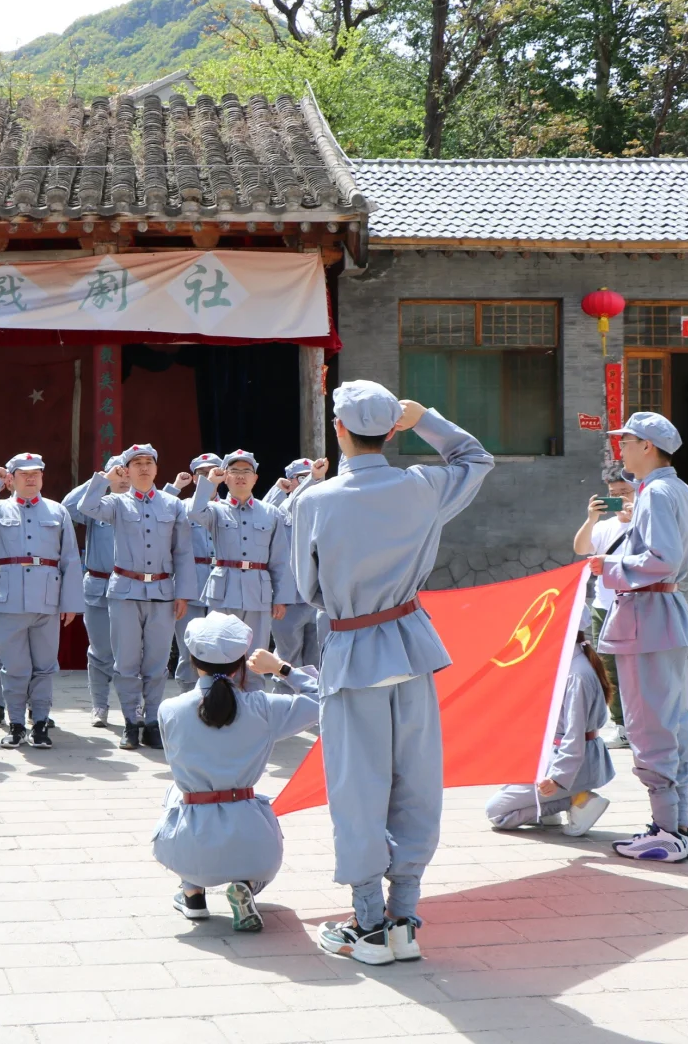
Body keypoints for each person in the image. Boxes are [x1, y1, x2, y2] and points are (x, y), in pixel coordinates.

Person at [292, 381, 492, 965]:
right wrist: (425, 417)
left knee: (358, 787)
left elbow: (309, 589)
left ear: (339, 431)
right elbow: (475, 457)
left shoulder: (316, 500)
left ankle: (369, 922)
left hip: (353, 650)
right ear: (390, 429)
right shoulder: (422, 485)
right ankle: (404, 916)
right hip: (410, 645)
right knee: (416, 779)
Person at [153, 613, 321, 932]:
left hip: (190, 847)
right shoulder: (264, 707)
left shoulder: (169, 710)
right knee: (248, 802)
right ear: (242, 662)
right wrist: (282, 668)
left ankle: (192, 893)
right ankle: (245, 884)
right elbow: (325, 699)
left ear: (191, 660)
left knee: (178, 791)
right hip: (255, 849)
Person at [591, 411, 688, 864]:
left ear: (648, 447)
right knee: (672, 721)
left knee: (647, 724)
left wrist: (608, 568)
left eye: (628, 441)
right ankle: (677, 826)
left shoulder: (654, 492)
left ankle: (667, 830)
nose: (622, 449)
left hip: (647, 614)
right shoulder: (678, 488)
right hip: (664, 614)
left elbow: (661, 560)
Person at [78, 443, 199, 751]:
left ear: (157, 469)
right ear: (127, 470)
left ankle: (151, 722)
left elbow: (183, 553)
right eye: (136, 463)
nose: (144, 467)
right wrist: (104, 478)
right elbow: (86, 507)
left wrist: (184, 592)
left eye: (149, 462)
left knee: (157, 664)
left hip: (161, 591)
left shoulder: (173, 505)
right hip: (124, 592)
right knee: (126, 662)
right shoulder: (117, 503)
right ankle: (132, 721)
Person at [0, 452, 84, 748]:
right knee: (14, 667)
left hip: (47, 599)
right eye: (23, 474)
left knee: (44, 666)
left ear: (42, 477)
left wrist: (70, 602)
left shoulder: (57, 511)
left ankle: (40, 723)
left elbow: (70, 557)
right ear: (12, 479)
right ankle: (17, 724)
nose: (31, 478)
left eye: (36, 473)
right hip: (9, 599)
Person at [485, 628, 616, 836]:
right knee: (507, 797)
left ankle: (576, 799)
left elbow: (575, 734)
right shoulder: (570, 664)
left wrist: (557, 778)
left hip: (573, 766)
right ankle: (549, 811)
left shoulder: (577, 674)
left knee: (497, 812)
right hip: (556, 757)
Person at [188, 450, 296, 669]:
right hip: (224, 591)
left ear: (255, 478)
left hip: (258, 591)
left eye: (246, 471)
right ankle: (221, 699)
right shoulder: (216, 510)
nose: (240, 476)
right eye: (234, 470)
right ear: (225, 476)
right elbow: (194, 511)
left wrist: (281, 597)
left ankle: (252, 699)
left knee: (255, 654)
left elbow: (280, 559)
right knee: (219, 652)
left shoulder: (270, 512)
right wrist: (210, 483)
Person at [572, 467, 635, 748]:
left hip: (637, 605)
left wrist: (637, 518)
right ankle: (621, 726)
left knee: (638, 668)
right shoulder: (603, 527)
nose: (619, 499)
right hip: (604, 606)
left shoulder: (647, 523)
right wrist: (591, 518)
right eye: (613, 495)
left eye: (625, 493)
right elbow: (580, 547)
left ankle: (643, 725)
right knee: (607, 670)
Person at [65, 456, 129, 728]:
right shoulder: (95, 507)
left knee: (131, 654)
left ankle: (132, 708)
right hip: (98, 586)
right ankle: (99, 705)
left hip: (132, 588)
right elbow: (68, 508)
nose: (123, 478)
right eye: (118, 473)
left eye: (128, 472)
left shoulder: (145, 508)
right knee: (101, 651)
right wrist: (101, 480)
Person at [164, 453, 221, 688]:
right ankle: (188, 700)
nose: (208, 477)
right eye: (202, 474)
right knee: (189, 649)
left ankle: (221, 700)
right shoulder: (182, 507)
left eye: (213, 472)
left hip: (222, 583)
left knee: (222, 648)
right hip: (191, 581)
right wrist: (176, 487)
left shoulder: (231, 506)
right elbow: (153, 509)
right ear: (195, 479)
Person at [269, 458, 330, 669]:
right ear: (290, 482)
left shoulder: (328, 507)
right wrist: (278, 490)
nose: (311, 482)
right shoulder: (285, 507)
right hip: (289, 599)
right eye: (302, 478)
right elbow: (261, 515)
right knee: (287, 662)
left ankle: (312, 702)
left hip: (320, 599)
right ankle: (287, 701)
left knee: (318, 661)